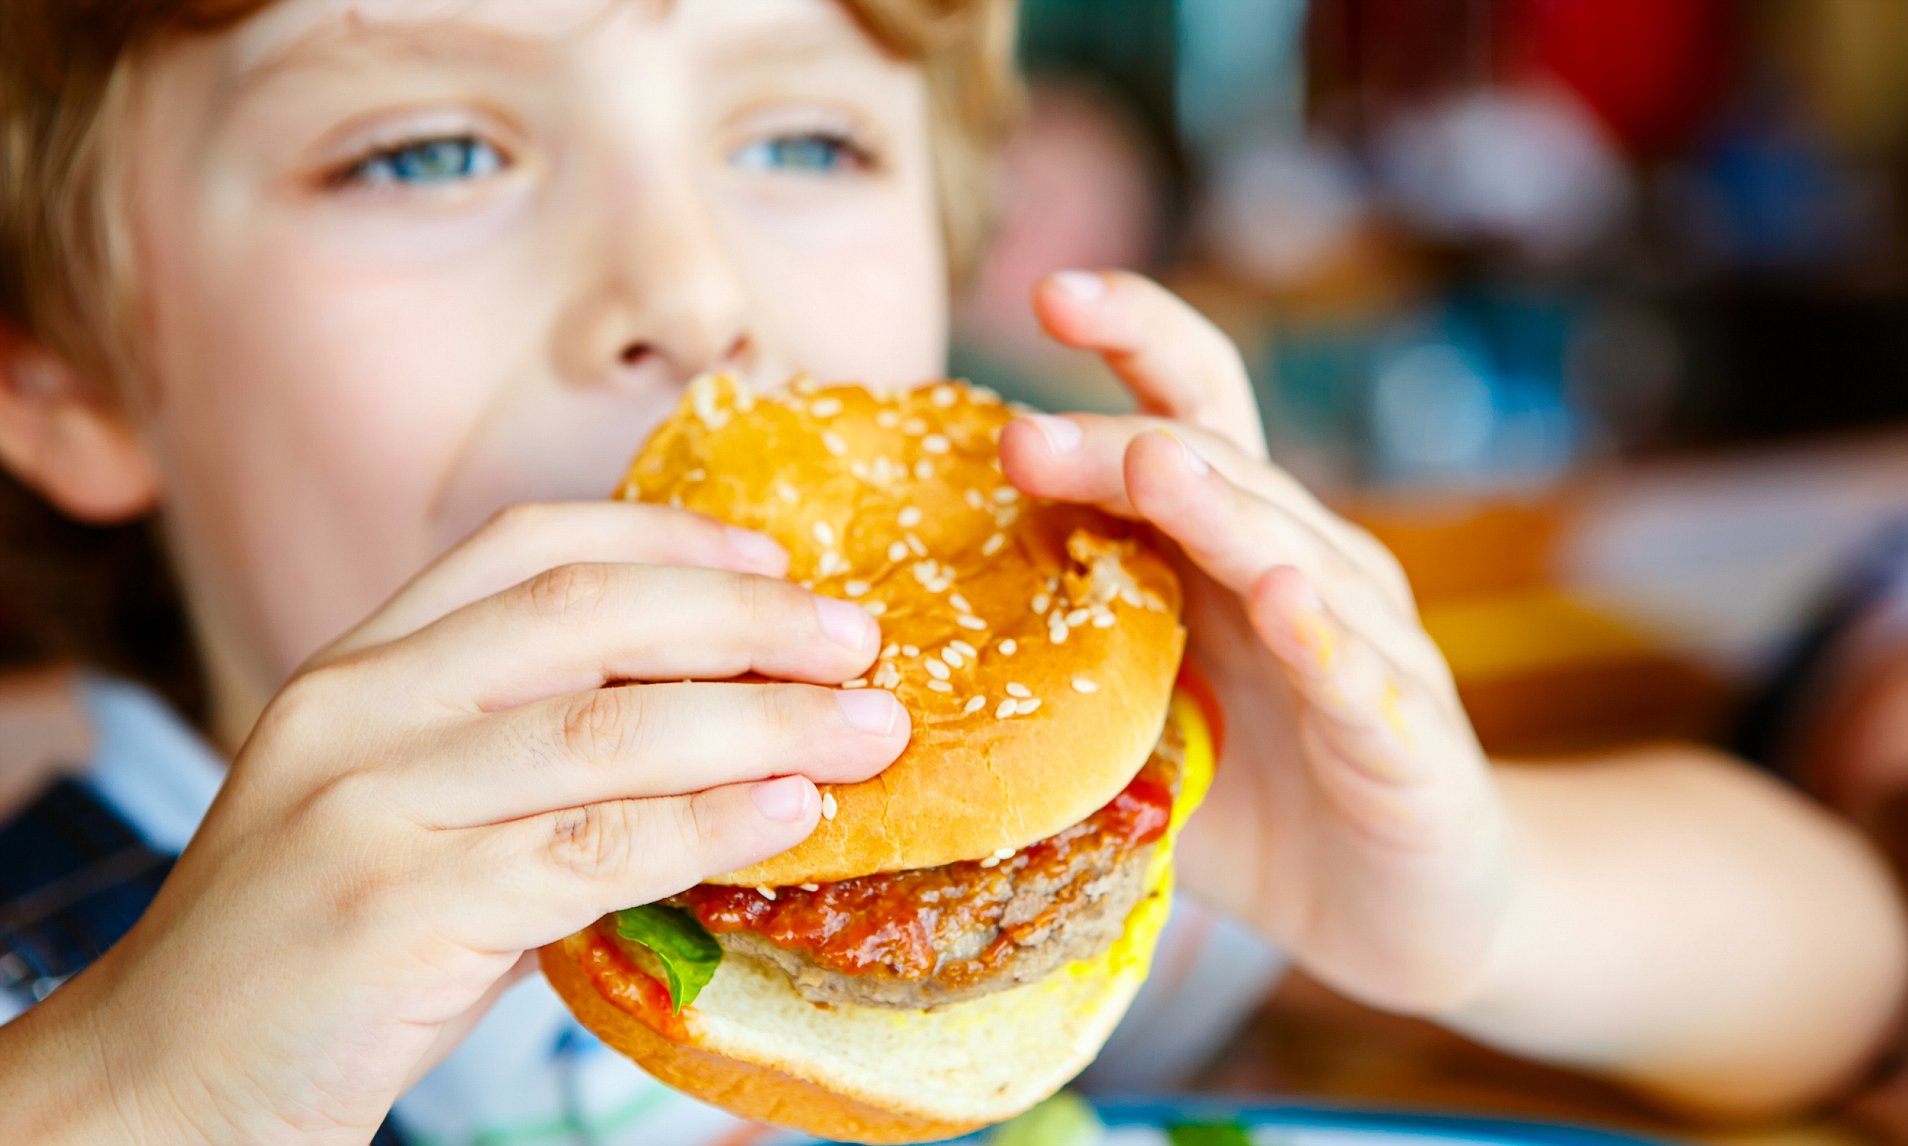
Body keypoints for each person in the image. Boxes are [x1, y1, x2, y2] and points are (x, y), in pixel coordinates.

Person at [0, 2, 1902, 1143]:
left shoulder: (982, 863)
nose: (693, 293)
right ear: (63, 372)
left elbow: (1845, 965)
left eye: (802, 138)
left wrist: (1476, 908)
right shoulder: (61, 938)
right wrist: (139, 1095)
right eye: (428, 154)